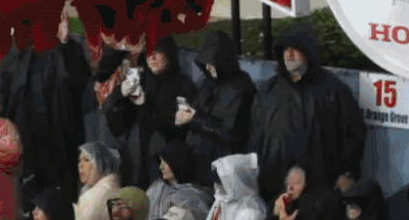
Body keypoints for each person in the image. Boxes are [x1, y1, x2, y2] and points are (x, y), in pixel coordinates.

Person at [255, 24, 368, 193]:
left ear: (307, 51)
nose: (289, 54)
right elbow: (255, 136)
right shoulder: (268, 91)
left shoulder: (334, 90)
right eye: (285, 49)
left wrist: (347, 173)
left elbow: (354, 133)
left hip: (321, 186)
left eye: (294, 48)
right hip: (276, 184)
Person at [0, 35, 93, 204]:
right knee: (28, 203)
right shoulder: (17, 51)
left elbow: (82, 85)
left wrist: (66, 43)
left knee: (61, 202)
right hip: (25, 142)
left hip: (61, 144)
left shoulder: (69, 48)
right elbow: (1, 96)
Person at [118, 39, 203, 187]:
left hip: (163, 166)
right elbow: (118, 125)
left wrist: (145, 106)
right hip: (134, 160)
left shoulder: (183, 85)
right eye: (148, 53)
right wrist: (120, 98)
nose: (151, 57)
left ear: (169, 54)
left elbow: (178, 130)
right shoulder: (140, 80)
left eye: (157, 52)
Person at [187, 29, 254, 166]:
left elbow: (230, 134)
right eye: (206, 63)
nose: (208, 68)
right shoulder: (208, 81)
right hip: (199, 155)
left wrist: (195, 118)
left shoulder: (240, 87)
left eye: (212, 63)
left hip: (224, 162)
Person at [148, 141, 212, 220]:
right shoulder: (157, 187)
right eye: (161, 162)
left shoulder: (193, 198)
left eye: (165, 162)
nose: (161, 167)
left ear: (177, 163)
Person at [74, 142, 124, 220]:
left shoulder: (100, 194)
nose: (80, 165)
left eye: (86, 160)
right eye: (79, 160)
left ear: (100, 163)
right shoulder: (93, 190)